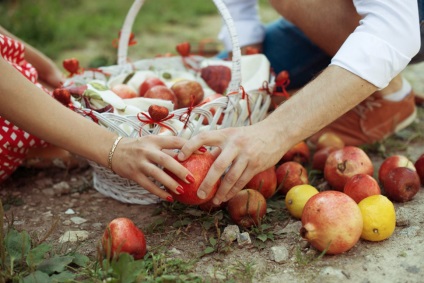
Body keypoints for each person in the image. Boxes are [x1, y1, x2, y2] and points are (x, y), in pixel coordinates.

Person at [177, 0, 423, 206]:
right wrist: (250, 76)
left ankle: (391, 95)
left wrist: (274, 132)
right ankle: (353, 74)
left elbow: (394, 29)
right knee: (211, 73)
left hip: (409, 14)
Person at [0, 26, 195, 202]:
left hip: (21, 83)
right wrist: (115, 149)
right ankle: (34, 151)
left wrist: (46, 68)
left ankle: (35, 151)